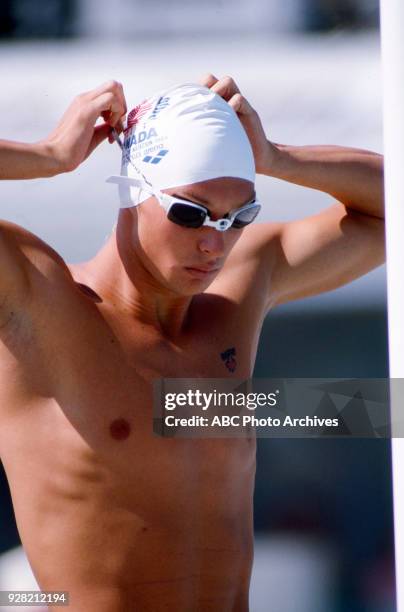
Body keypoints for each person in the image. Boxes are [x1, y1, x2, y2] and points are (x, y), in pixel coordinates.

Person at [0, 75, 385, 611]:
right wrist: (46, 155)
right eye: (189, 212)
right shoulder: (40, 300)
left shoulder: (236, 296)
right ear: (134, 189)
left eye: (238, 217)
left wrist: (277, 158)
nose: (214, 243)